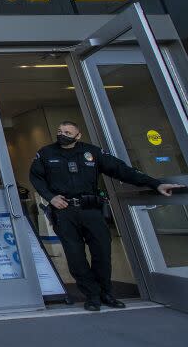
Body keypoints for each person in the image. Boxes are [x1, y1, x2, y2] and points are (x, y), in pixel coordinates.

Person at [29, 121, 185, 311]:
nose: (62, 134)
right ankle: (92, 296)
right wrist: (51, 197)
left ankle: (106, 293)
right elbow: (36, 177)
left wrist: (155, 184)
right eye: (60, 131)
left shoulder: (93, 153)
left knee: (102, 253)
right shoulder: (46, 153)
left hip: (91, 210)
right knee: (75, 258)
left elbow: (122, 171)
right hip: (64, 211)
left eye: (68, 132)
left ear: (78, 136)